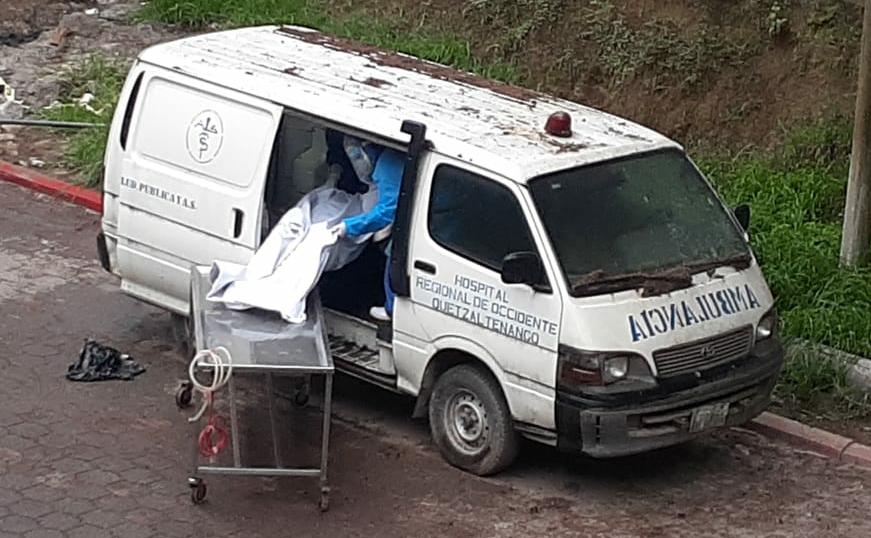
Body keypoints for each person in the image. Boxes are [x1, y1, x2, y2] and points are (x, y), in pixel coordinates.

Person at [332, 143, 405, 321]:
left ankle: (391, 309)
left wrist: (349, 227)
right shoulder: (391, 157)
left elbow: (386, 212)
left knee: (395, 255)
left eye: (357, 157)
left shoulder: (388, 166)